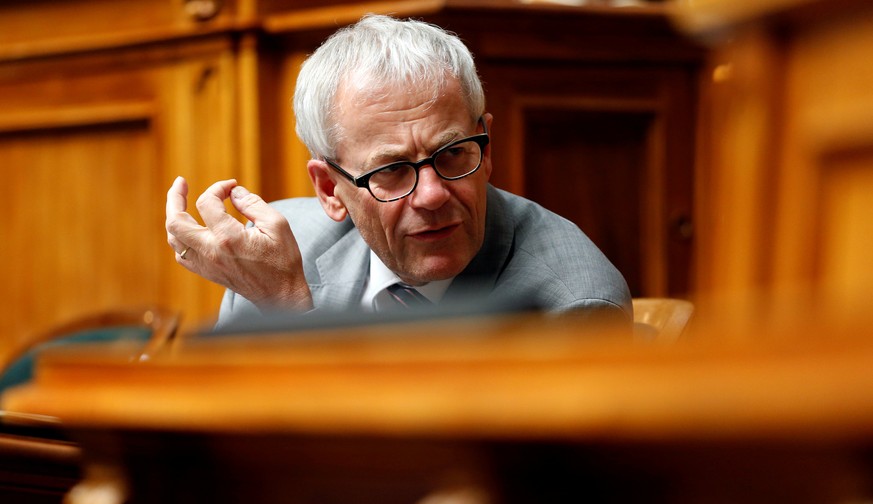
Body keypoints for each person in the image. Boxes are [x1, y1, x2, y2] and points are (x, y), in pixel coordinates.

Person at [165, 14, 632, 329]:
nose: (431, 195)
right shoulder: (272, 258)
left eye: (452, 155)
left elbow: (409, 470)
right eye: (390, 170)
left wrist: (288, 312)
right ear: (330, 189)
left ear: (486, 150)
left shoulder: (572, 305)